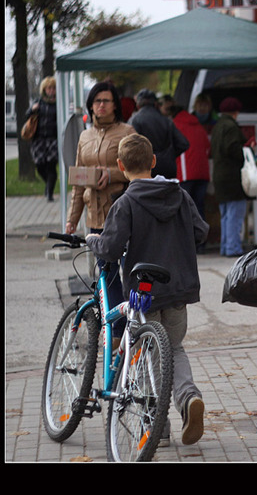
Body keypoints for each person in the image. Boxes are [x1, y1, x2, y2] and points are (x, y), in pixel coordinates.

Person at [85, 133, 209, 446]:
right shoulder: (179, 194)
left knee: (144, 354)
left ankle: (157, 427)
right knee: (174, 349)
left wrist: (92, 241)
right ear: (153, 162)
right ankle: (188, 397)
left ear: (120, 165)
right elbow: (201, 232)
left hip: (144, 293)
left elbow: (110, 249)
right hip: (178, 290)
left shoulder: (125, 203)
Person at [66, 81, 136, 344]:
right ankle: (115, 330)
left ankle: (124, 330)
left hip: (120, 213)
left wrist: (112, 173)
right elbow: (78, 180)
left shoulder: (127, 132)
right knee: (105, 274)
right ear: (91, 105)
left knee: (123, 274)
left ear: (115, 104)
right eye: (97, 101)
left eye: (106, 101)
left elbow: (138, 167)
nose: (101, 105)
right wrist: (72, 220)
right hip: (94, 216)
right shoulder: (85, 137)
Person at [211, 97, 252, 257]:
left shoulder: (218, 126)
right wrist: (247, 151)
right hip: (232, 176)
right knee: (235, 214)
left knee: (226, 215)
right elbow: (233, 149)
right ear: (236, 112)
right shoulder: (231, 127)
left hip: (219, 175)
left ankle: (225, 246)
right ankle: (233, 248)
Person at [129, 88, 189, 179]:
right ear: (156, 104)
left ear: (138, 105)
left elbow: (129, 147)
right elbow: (183, 144)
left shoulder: (134, 120)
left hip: (145, 169)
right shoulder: (167, 121)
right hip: (167, 168)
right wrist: (169, 155)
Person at [172, 106, 211, 226]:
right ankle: (201, 241)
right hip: (202, 173)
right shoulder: (199, 126)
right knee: (199, 207)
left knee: (184, 209)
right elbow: (208, 148)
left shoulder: (175, 126)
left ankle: (188, 242)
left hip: (185, 174)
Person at [27, 76, 58, 202]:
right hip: (38, 139)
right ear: (44, 89)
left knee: (51, 166)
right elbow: (27, 114)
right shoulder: (39, 102)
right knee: (39, 165)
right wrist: (32, 110)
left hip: (52, 139)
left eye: (53, 88)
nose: (51, 91)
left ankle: (49, 193)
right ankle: (48, 184)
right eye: (49, 88)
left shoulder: (58, 103)